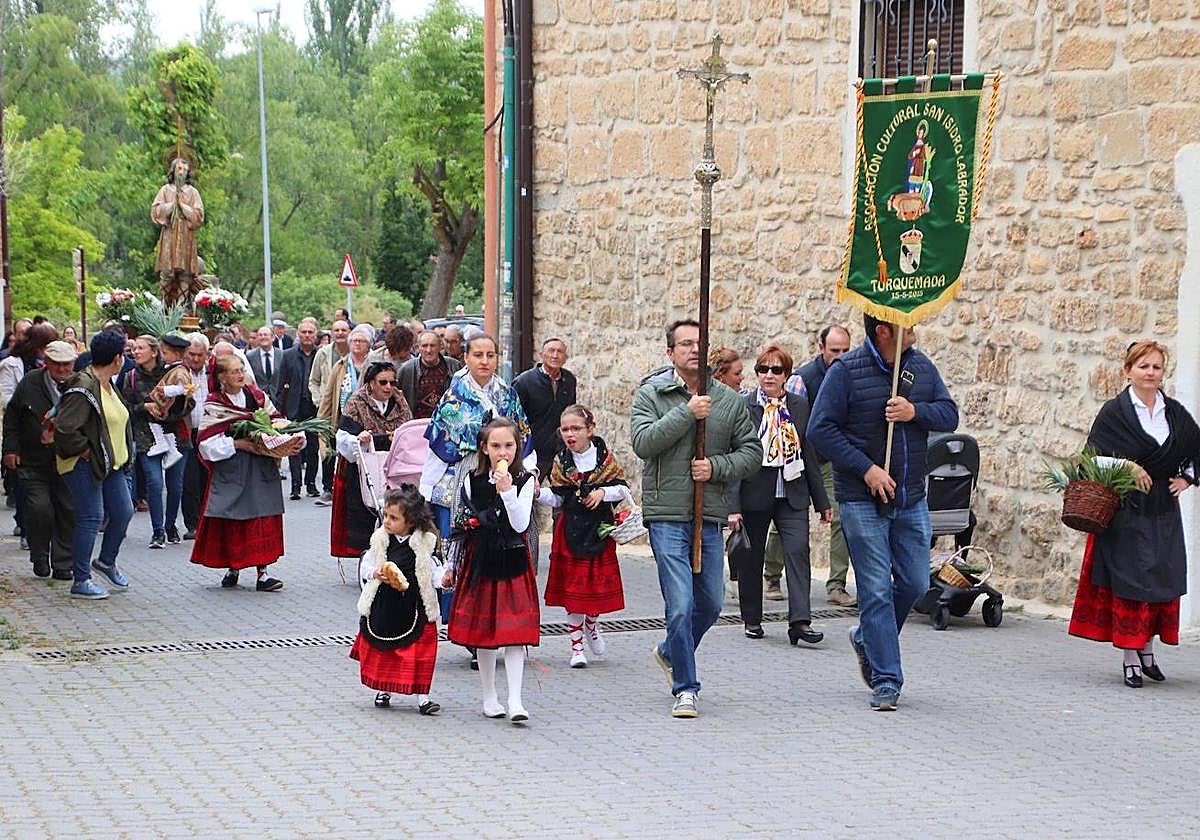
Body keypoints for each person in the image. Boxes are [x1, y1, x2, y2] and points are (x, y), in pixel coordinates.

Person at [808, 314, 958, 712]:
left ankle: (866, 638)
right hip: (861, 498)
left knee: (911, 582)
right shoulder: (845, 371)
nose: (916, 329)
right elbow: (821, 430)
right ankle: (887, 679)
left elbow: (949, 414)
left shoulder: (921, 367)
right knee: (874, 589)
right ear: (883, 331)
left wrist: (915, 412)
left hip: (911, 497)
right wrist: (866, 468)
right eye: (907, 324)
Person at [630, 319, 761, 719]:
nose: (693, 350)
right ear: (670, 353)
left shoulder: (728, 400)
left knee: (711, 602)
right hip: (667, 514)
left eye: (699, 343)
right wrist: (687, 414)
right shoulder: (652, 394)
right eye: (685, 344)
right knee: (681, 604)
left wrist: (716, 467)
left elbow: (752, 453)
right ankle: (686, 687)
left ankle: (671, 650)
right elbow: (643, 443)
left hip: (708, 514)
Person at [1067, 341, 1200, 688]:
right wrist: (1126, 464)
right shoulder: (1115, 413)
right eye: (1143, 367)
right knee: (1130, 583)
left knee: (1159, 580)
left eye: (1156, 367)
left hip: (1161, 509)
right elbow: (1091, 457)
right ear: (1128, 371)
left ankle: (1148, 652)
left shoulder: (1174, 413)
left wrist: (1186, 478)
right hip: (1126, 510)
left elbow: (1193, 447)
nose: (1150, 373)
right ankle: (1129, 656)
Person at [728, 345, 831, 644]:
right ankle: (752, 618)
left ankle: (800, 622)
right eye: (763, 369)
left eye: (776, 370)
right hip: (754, 491)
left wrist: (822, 502)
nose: (769, 375)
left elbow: (809, 453)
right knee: (751, 556)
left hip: (792, 491)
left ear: (786, 374)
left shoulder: (799, 406)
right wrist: (733, 506)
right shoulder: (745, 405)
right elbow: (736, 456)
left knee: (798, 552)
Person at [443, 418, 539, 723]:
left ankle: (515, 699)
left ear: (517, 447)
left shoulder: (525, 480)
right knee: (485, 635)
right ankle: (489, 696)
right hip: (480, 559)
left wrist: (508, 491)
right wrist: (449, 564)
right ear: (484, 448)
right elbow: (460, 524)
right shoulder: (471, 479)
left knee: (514, 635)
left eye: (509, 446)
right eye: (496, 445)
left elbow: (521, 524)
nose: (503, 452)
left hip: (512, 560)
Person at [191, 355, 302, 591]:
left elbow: (276, 419)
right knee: (235, 518)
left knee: (263, 517)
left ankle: (263, 573)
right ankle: (234, 566)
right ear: (221, 377)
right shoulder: (215, 403)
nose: (240, 375)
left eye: (241, 370)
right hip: (232, 468)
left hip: (261, 466)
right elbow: (206, 444)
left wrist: (286, 434)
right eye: (234, 372)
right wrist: (238, 444)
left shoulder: (256, 396)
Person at [539, 405, 628, 668]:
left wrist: (603, 493)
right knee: (575, 591)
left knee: (595, 587)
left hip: (599, 529)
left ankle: (592, 623)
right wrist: (535, 493)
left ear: (590, 429)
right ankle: (576, 646)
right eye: (565, 429)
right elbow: (557, 496)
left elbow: (622, 489)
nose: (570, 434)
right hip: (570, 530)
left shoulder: (605, 459)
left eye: (576, 428)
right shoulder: (560, 462)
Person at [420, 333, 532, 540]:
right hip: (465, 468)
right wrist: (425, 488)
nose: (484, 361)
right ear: (466, 358)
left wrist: (529, 472)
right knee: (463, 537)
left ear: (497, 358)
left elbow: (522, 437)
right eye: (478, 355)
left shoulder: (508, 394)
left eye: (490, 355)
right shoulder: (453, 398)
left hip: (504, 468)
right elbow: (439, 449)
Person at [55, 331, 136, 600]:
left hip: (111, 464)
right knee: (91, 518)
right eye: (123, 354)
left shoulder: (108, 383)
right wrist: (87, 452)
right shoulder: (84, 385)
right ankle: (81, 579)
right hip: (83, 464)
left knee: (123, 512)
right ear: (116, 358)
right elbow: (65, 429)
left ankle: (105, 561)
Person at [351, 486, 443, 714]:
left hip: (414, 605)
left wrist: (445, 579)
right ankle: (384, 689)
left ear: (410, 521)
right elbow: (367, 565)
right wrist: (375, 573)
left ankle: (424, 698)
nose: (387, 522)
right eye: (386, 516)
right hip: (386, 604)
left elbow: (433, 572)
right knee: (384, 650)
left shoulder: (425, 543)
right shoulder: (381, 540)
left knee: (419, 652)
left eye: (394, 518)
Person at [788, 324, 856, 607]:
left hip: (833, 460)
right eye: (834, 350)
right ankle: (770, 574)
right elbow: (790, 420)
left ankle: (836, 585)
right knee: (786, 519)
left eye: (845, 350)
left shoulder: (852, 375)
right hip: (801, 458)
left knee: (840, 519)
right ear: (821, 348)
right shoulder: (803, 378)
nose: (840, 356)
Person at [3, 341, 79, 579]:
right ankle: (39, 555)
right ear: (46, 363)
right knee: (40, 509)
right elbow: (13, 418)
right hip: (33, 460)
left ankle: (63, 563)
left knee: (68, 510)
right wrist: (10, 449)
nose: (62, 369)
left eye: (67, 364)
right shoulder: (30, 382)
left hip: (68, 460)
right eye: (57, 364)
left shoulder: (80, 384)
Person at [331, 361, 412, 563]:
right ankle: (367, 557)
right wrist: (359, 438)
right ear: (371, 383)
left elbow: (408, 430)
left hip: (393, 464)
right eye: (382, 382)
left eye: (392, 383)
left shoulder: (400, 401)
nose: (388, 387)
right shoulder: (356, 401)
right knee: (365, 512)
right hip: (364, 466)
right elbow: (342, 437)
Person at [121, 335, 188, 549]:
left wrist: (167, 412)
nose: (136, 351)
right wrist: (145, 407)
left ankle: (170, 525)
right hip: (145, 437)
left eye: (141, 348)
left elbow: (189, 403)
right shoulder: (130, 376)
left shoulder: (171, 372)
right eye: (134, 348)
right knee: (155, 482)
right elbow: (125, 408)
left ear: (154, 351)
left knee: (175, 485)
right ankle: (158, 530)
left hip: (173, 435)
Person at [513, 337, 578, 481]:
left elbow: (571, 413)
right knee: (527, 492)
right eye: (551, 351)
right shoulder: (524, 382)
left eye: (560, 352)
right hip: (533, 451)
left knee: (565, 494)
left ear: (565, 358)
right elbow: (515, 419)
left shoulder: (569, 380)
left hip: (560, 449)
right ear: (542, 355)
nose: (555, 355)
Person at [274, 317, 321, 500]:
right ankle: (295, 486)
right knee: (294, 446)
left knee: (313, 447)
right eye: (304, 332)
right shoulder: (288, 355)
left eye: (310, 332)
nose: (307, 335)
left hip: (314, 407)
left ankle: (311, 484)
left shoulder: (321, 354)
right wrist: (278, 411)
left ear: (315, 334)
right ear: (298, 334)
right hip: (294, 407)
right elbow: (280, 385)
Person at [152, 157, 206, 307]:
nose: (181, 172)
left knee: (185, 274)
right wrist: (171, 205)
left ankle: (181, 305)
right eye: (179, 168)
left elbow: (199, 215)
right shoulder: (165, 190)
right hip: (170, 234)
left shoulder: (192, 192)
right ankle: (163, 304)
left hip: (186, 237)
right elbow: (156, 211)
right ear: (173, 170)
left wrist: (182, 206)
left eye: (184, 169)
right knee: (167, 271)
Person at [310, 319, 351, 504]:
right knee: (328, 446)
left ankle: (345, 488)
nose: (340, 333)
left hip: (351, 408)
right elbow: (314, 380)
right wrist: (319, 400)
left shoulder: (356, 352)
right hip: (329, 405)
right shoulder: (324, 354)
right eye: (337, 330)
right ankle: (327, 488)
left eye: (344, 330)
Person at [180, 333, 211, 539]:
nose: (196, 359)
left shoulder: (212, 373)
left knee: (207, 477)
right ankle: (192, 524)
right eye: (192, 354)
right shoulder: (179, 374)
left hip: (208, 431)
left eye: (200, 355)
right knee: (189, 479)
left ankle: (207, 521)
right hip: (187, 432)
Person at [397, 331, 463, 420]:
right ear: (418, 348)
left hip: (447, 424)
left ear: (440, 347)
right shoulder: (406, 370)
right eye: (424, 346)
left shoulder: (455, 367)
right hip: (416, 425)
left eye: (432, 345)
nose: (428, 350)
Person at [247, 325, 283, 393]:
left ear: (273, 338)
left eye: (265, 335)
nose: (263, 337)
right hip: (259, 398)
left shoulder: (282, 355)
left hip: (279, 397)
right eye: (260, 335)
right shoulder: (250, 356)